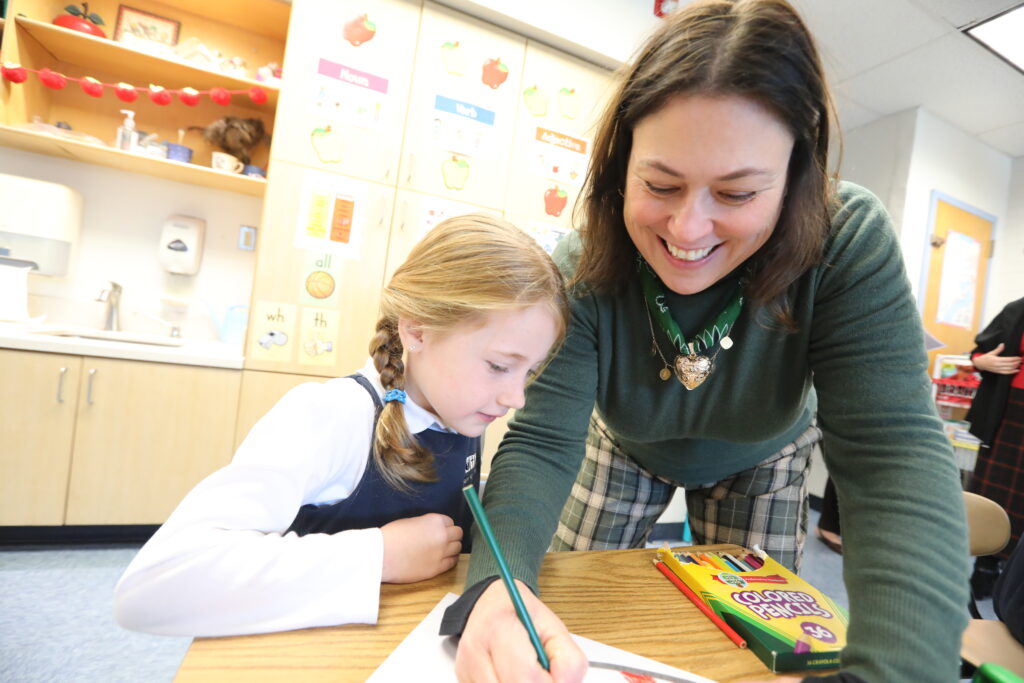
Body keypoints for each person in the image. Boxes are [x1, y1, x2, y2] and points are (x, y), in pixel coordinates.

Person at [441, 2, 969, 682]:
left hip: (766, 449)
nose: (689, 231)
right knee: (564, 611)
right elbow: (542, 441)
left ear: (796, 181)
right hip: (622, 442)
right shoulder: (583, 262)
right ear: (619, 166)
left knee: (752, 654)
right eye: (660, 185)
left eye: (738, 192)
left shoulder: (847, 241)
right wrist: (493, 587)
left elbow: (893, 454)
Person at [113, 214, 569, 636]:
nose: (516, 398)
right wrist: (379, 555)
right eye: (497, 366)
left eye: (528, 372)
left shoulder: (459, 410)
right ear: (418, 331)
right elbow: (152, 587)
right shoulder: (329, 415)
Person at [966, 296, 1024, 599]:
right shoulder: (1017, 309)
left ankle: (1015, 579)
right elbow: (978, 352)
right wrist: (981, 362)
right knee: (996, 492)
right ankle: (985, 568)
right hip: (1008, 412)